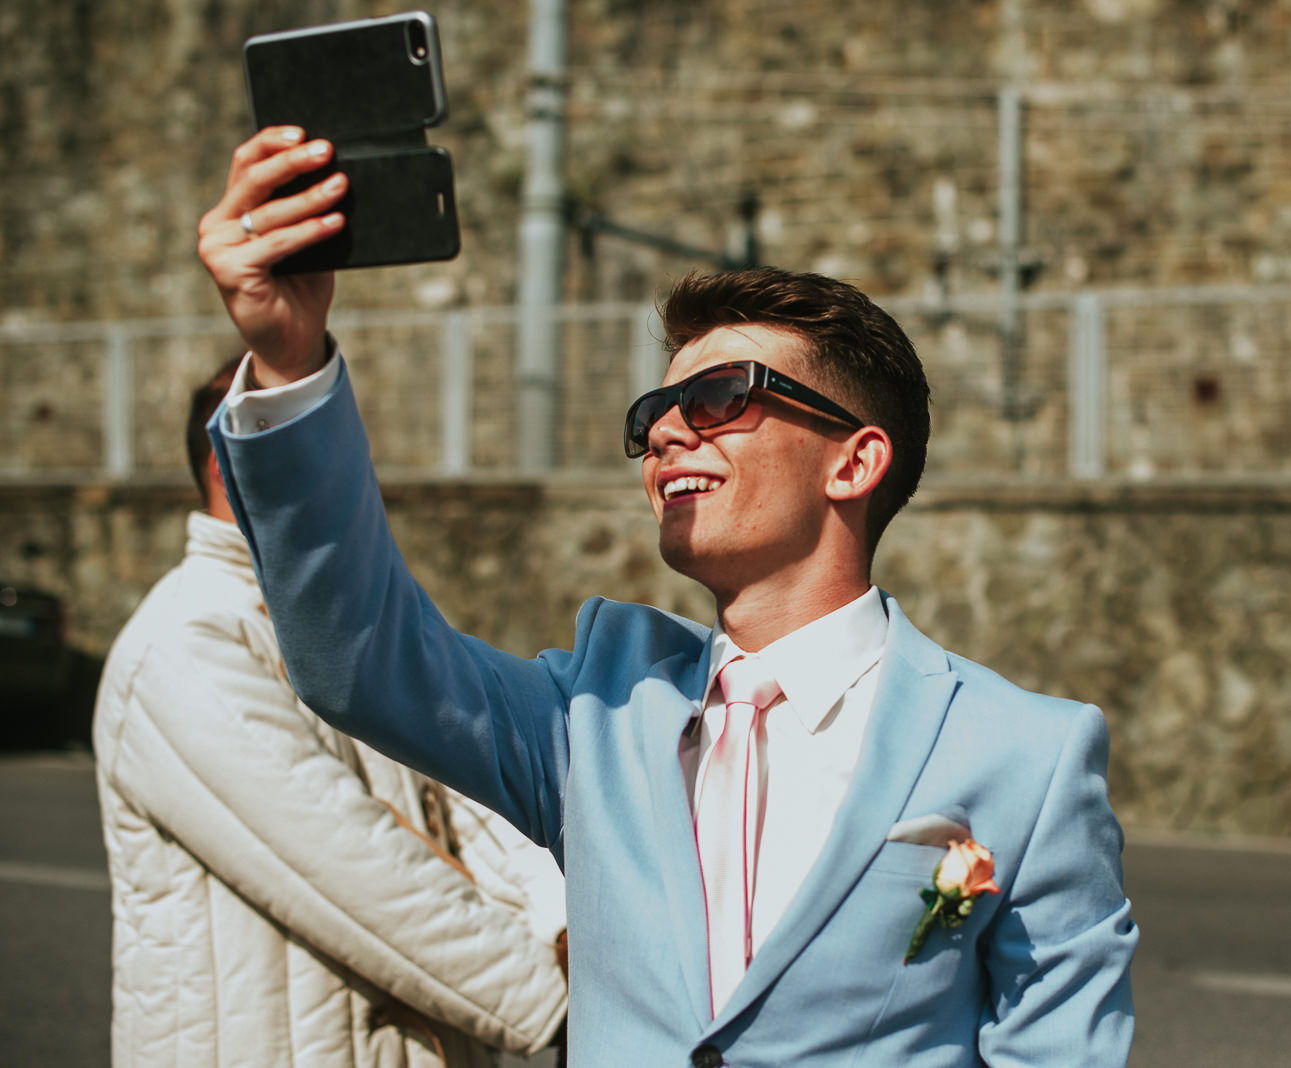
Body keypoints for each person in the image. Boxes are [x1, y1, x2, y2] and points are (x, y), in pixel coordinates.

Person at [197, 126, 1137, 1066]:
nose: (668, 434)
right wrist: (289, 363)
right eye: (653, 414)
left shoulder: (1029, 756)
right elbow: (357, 661)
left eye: (723, 396)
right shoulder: (595, 714)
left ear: (855, 462)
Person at [92, 355, 570, 1068]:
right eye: (311, 440)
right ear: (235, 459)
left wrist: (566, 921)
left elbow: (465, 796)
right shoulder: (185, 640)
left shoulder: (347, 623)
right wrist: (560, 1000)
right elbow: (349, 866)